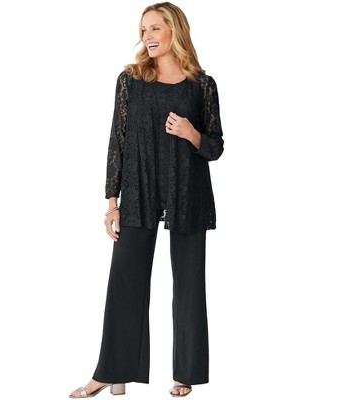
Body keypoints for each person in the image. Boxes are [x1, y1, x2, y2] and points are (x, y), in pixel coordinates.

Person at [69, 2, 224, 398]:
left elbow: (215, 147)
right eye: (143, 30)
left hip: (187, 191)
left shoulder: (202, 85)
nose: (147, 36)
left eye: (155, 28)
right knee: (125, 280)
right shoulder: (131, 80)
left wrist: (191, 133)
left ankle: (186, 373)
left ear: (174, 30)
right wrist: (112, 203)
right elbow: (117, 141)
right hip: (139, 189)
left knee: (189, 285)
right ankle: (111, 372)